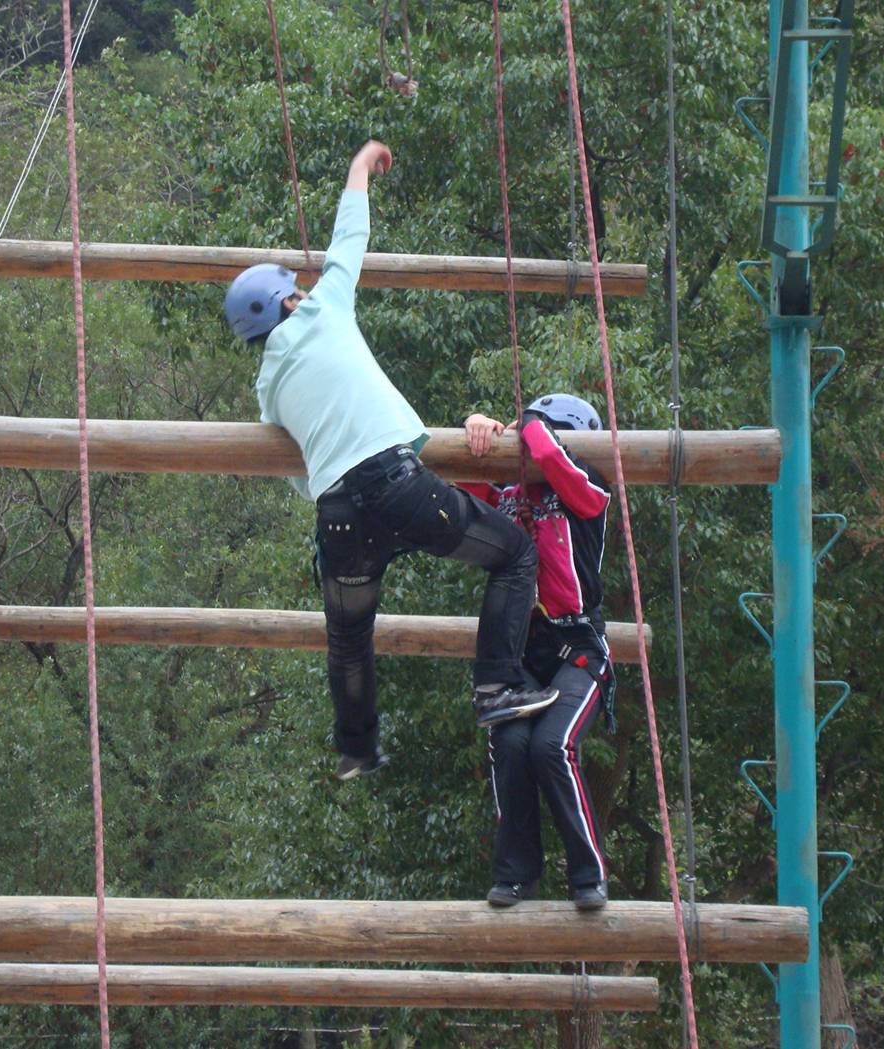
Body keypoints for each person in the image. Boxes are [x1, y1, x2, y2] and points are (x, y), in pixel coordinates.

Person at [224, 140, 558, 781]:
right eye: (295, 289)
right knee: (514, 554)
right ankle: (496, 687)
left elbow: (298, 473)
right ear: (289, 301)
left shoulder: (268, 389)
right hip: (396, 484)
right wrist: (357, 166)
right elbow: (350, 237)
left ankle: (356, 747)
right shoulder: (323, 310)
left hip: (337, 512)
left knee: (350, 636)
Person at [462, 395, 615, 910]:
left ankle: (587, 875)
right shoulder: (507, 494)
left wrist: (529, 426)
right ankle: (516, 875)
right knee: (510, 746)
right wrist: (477, 430)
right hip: (521, 652)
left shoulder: (588, 487)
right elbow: (458, 486)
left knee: (552, 746)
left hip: (577, 647)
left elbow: (551, 457)